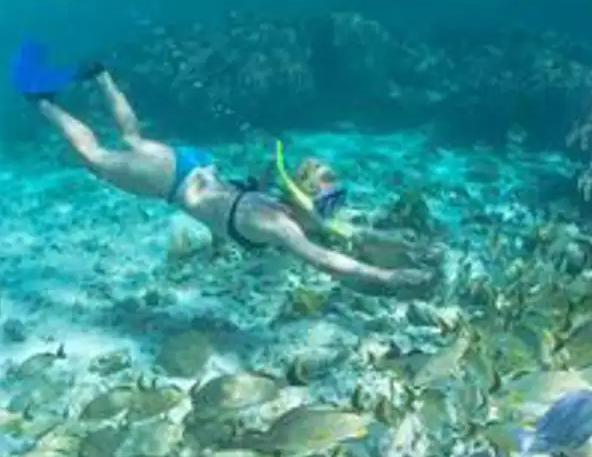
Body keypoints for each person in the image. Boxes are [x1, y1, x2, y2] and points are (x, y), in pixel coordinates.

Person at [11, 41, 435, 298]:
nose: (327, 214)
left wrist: (394, 240)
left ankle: (101, 77)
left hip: (198, 166)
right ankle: (41, 100)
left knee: (134, 140)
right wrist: (390, 276)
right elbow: (327, 260)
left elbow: (341, 230)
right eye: (325, 205)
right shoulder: (281, 224)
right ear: (303, 200)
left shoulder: (285, 207)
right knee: (96, 159)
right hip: (173, 180)